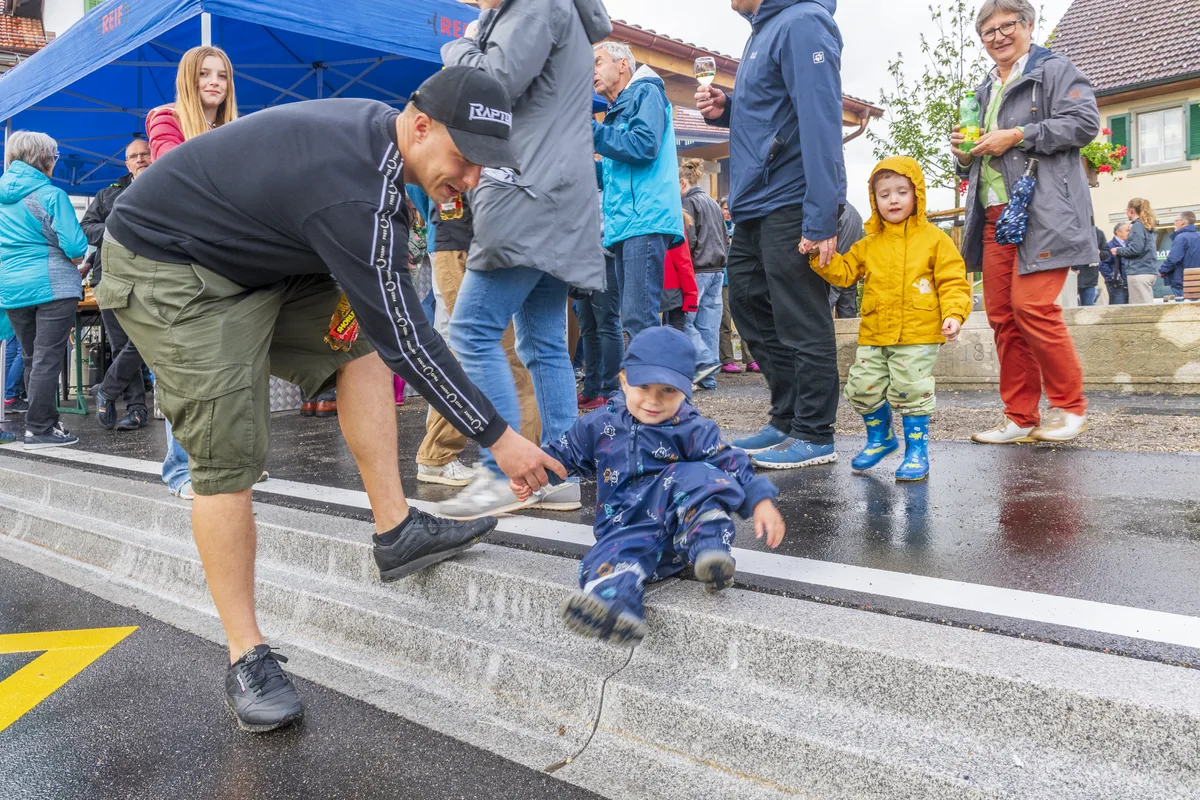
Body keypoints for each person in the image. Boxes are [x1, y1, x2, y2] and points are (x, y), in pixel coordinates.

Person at [100, 68, 565, 733]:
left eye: (482, 166)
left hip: (252, 255)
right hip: (170, 266)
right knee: (231, 449)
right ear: (421, 125)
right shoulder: (352, 191)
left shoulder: (381, 158)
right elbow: (413, 336)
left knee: (362, 342)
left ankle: (397, 530)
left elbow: (389, 328)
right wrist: (500, 436)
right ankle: (246, 656)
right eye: (464, 158)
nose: (468, 178)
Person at [437, 0, 611, 520]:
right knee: (543, 343)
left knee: (470, 330)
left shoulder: (535, 5)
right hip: (558, 194)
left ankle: (503, 473)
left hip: (525, 189)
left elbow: (487, 86)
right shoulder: (562, 10)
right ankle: (558, 474)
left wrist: (461, 44)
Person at [512, 326, 785, 644]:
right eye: (644, 386)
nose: (654, 401)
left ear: (686, 390)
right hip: (627, 530)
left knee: (695, 476)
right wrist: (533, 476)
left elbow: (731, 463)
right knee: (602, 560)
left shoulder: (693, 428)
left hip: (679, 535)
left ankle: (711, 551)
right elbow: (564, 454)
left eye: (668, 391)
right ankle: (616, 608)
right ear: (624, 379)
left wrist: (760, 501)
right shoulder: (600, 424)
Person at [697, 0, 847, 469]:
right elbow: (772, 112)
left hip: (791, 196)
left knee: (800, 315)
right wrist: (729, 110)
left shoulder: (803, 21)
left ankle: (815, 433)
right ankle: (786, 417)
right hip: (755, 200)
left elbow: (821, 117)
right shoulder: (763, 30)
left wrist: (824, 212)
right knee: (747, 304)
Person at [953, 0, 1098, 445]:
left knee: (1033, 307)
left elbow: (1085, 122)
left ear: (1029, 25)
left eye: (1006, 26)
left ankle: (1069, 408)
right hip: (996, 214)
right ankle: (1020, 416)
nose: (997, 36)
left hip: (1044, 211)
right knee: (1001, 316)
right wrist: (964, 156)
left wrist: (1018, 135)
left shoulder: (1052, 70)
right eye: (987, 31)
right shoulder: (983, 89)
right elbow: (982, 157)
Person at [809, 158, 972, 482]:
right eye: (884, 194)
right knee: (860, 389)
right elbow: (843, 274)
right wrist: (819, 256)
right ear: (874, 200)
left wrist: (954, 314)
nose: (893, 200)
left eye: (901, 191)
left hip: (919, 332)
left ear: (917, 195)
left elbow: (953, 280)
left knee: (911, 390)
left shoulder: (934, 239)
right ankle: (881, 437)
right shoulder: (869, 243)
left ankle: (916, 450)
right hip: (876, 332)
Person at [145, 45, 240, 499]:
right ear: (189, 77)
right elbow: (172, 168)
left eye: (222, 75)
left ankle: (226, 464)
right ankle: (181, 472)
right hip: (176, 258)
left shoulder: (232, 126)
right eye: (205, 74)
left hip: (221, 259)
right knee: (183, 368)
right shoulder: (166, 116)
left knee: (227, 366)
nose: (215, 82)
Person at [415, 190, 543, 486]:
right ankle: (441, 453)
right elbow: (419, 180)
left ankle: (521, 461)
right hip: (461, 238)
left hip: (485, 238)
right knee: (479, 351)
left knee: (494, 352)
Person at [0, 131, 89, 450]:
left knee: (31, 357)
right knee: (48, 357)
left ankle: (44, 424)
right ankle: (39, 429)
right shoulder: (51, 195)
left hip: (11, 287)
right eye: (54, 156)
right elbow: (76, 246)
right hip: (52, 284)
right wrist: (74, 255)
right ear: (43, 159)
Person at [593, 41, 686, 341]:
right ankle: (645, 387)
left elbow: (644, 146)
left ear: (623, 65)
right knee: (633, 318)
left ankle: (653, 388)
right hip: (628, 222)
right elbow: (613, 172)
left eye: (598, 62)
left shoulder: (645, 91)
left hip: (643, 218)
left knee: (639, 319)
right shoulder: (619, 106)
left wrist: (589, 131)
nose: (591, 71)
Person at [80, 138, 153, 432]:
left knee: (145, 339)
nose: (140, 159)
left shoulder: (169, 185)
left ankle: (108, 389)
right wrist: (117, 228)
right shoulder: (106, 195)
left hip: (150, 277)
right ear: (127, 164)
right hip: (109, 278)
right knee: (123, 344)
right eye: (134, 156)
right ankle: (136, 409)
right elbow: (86, 228)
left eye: (144, 153)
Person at [679, 159, 728, 390]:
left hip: (697, 269)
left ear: (681, 182)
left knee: (685, 321)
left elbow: (688, 240)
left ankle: (701, 367)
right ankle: (709, 377)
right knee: (709, 325)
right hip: (718, 269)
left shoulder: (688, 202)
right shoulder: (712, 203)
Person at [575, 250, 623, 411]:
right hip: (581, 256)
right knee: (588, 328)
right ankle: (591, 389)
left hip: (606, 252)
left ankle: (611, 391)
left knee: (607, 324)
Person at [1112, 199, 1160, 306]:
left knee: (1140, 310)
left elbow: (1135, 250)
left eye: (1126, 210)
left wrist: (1118, 250)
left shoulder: (1137, 226)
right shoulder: (1147, 225)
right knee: (1146, 305)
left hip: (1138, 272)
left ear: (1131, 210)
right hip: (1149, 271)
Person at [661, 216, 699, 331]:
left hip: (645, 282)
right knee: (676, 330)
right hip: (672, 286)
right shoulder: (674, 219)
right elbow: (683, 260)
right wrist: (691, 296)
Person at [828, 201, 865, 318]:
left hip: (834, 271)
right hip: (851, 269)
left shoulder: (834, 212)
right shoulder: (856, 214)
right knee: (848, 309)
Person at [1161, 211, 1198, 300]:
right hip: (1197, 281)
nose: (1175, 223)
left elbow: (1173, 259)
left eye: (1176, 220)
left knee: (1184, 310)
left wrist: (1163, 270)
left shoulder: (1181, 237)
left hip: (1182, 282)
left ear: (1182, 222)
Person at [1100, 222, 1130, 305]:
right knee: (1118, 309)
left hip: (1129, 283)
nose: (1129, 233)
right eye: (1127, 230)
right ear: (1118, 232)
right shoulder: (1109, 246)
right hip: (1116, 285)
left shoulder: (1130, 245)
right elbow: (1103, 265)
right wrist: (1112, 278)